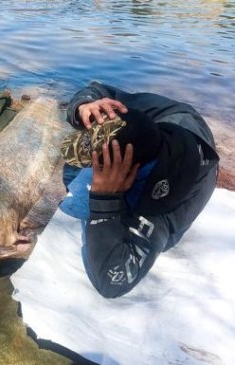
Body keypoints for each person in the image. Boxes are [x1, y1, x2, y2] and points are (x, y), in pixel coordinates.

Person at [61, 81, 219, 298]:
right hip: (180, 120)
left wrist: (105, 200)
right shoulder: (146, 117)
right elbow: (99, 88)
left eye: (95, 166)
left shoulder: (161, 207)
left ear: (123, 175)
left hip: (180, 176)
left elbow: (112, 281)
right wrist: (84, 105)